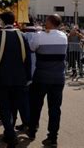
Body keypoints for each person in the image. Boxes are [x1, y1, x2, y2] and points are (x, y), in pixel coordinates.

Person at [0, 12, 32, 147]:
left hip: (1, 78)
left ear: (1, 20)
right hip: (20, 78)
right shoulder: (22, 36)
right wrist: (28, 77)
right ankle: (11, 131)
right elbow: (27, 59)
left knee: (4, 108)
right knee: (14, 106)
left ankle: (10, 134)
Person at [27, 14, 68, 147]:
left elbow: (32, 48)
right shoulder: (64, 36)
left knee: (35, 105)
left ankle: (32, 130)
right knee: (55, 109)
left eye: (46, 21)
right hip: (58, 78)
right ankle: (52, 137)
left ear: (50, 22)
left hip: (41, 77)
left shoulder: (40, 35)